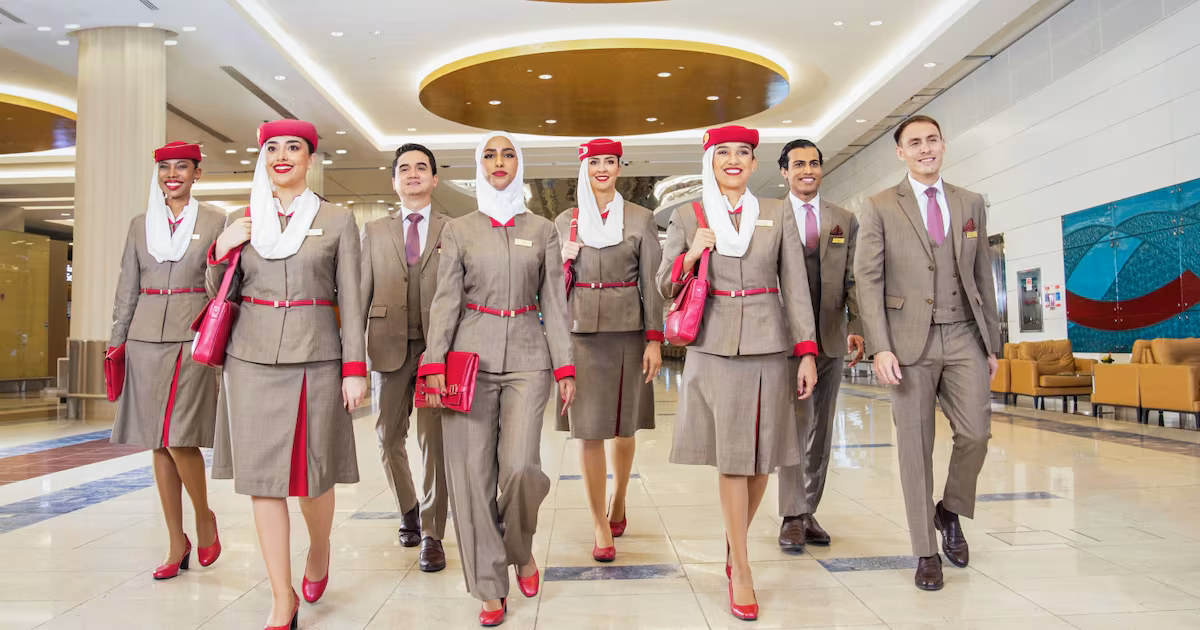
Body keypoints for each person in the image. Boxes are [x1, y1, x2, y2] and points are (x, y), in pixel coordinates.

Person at [208, 120, 367, 629]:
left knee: (313, 478)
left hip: (317, 356)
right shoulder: (242, 217)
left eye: (292, 147)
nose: (281, 155)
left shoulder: (338, 220)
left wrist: (354, 368)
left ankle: (318, 547)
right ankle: (282, 595)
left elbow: (353, 300)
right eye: (272, 147)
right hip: (250, 358)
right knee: (263, 480)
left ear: (310, 158)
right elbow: (217, 290)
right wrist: (220, 248)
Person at [656, 125, 818, 621]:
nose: (733, 160)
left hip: (771, 344)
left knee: (764, 458)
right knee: (732, 458)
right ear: (710, 161)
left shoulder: (775, 212)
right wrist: (689, 252)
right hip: (714, 344)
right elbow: (663, 286)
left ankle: (734, 543)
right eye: (723, 152)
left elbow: (794, 284)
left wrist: (807, 350)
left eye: (743, 153)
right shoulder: (689, 215)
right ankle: (742, 568)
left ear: (753, 164)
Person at [420, 131, 576, 627]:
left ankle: (520, 549)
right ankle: (490, 586)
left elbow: (554, 298)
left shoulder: (544, 228)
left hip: (530, 355)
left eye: (508, 153)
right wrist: (435, 361)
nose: (499, 161)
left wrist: (565, 364)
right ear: (479, 166)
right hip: (468, 358)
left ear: (519, 163)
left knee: (522, 468)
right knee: (470, 477)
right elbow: (445, 301)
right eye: (489, 154)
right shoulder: (459, 229)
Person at [854, 115, 1001, 591]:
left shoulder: (971, 202)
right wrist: (880, 346)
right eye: (914, 143)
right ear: (900, 153)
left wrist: (992, 345)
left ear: (943, 144)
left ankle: (950, 509)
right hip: (907, 341)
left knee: (976, 433)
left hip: (964, 335)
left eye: (932, 140)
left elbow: (983, 277)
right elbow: (868, 281)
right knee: (915, 450)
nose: (925, 149)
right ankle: (925, 550)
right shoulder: (878, 207)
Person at [109, 141, 224, 579]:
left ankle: (203, 517)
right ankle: (176, 543)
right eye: (164, 168)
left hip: (191, 338)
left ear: (197, 173)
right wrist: (116, 341)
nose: (172, 174)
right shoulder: (141, 226)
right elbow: (127, 286)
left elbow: (221, 284)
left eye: (182, 167)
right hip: (143, 340)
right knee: (157, 441)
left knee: (179, 436)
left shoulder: (215, 221)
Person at [555, 138, 663, 563]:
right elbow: (546, 286)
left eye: (610, 162)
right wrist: (561, 261)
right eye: (594, 161)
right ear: (584, 167)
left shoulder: (640, 218)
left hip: (629, 333)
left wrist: (655, 338)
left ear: (621, 167)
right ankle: (600, 522)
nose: (602, 169)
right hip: (579, 335)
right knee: (588, 429)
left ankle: (619, 496)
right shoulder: (566, 220)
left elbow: (653, 285)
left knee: (625, 426)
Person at [361, 143, 450, 572]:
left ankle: (432, 533)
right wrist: (352, 363)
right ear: (393, 181)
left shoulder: (454, 230)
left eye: (421, 168)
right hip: (387, 346)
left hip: (438, 351)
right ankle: (409, 509)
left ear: (435, 179)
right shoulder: (374, 231)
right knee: (386, 437)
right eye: (404, 169)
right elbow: (359, 294)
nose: (412, 174)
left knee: (435, 442)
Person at [774, 139, 865, 553]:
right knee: (795, 427)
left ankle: (807, 509)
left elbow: (854, 279)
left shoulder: (843, 219)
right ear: (784, 172)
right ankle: (792, 515)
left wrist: (858, 325)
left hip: (830, 336)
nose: (806, 170)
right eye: (798, 164)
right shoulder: (769, 218)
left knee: (821, 429)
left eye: (813, 163)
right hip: (784, 339)